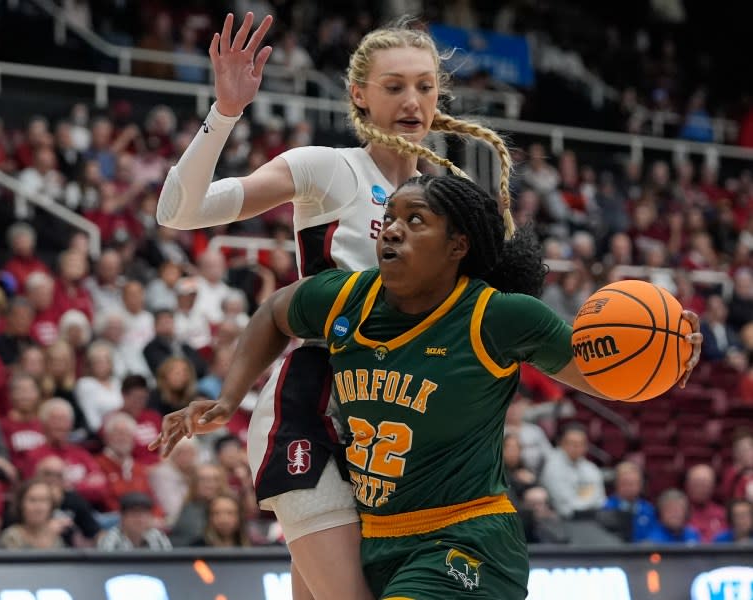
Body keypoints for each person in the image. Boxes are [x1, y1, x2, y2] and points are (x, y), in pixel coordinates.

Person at [155, 173, 703, 599]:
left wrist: (663, 366)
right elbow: (276, 311)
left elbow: (599, 378)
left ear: (458, 245)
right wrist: (230, 396)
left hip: (465, 536)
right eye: (389, 217)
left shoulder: (499, 316)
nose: (391, 228)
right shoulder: (347, 298)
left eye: (415, 221)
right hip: (375, 535)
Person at [156, 12, 519, 599]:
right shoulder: (329, 169)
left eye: (425, 86)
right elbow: (178, 211)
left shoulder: (448, 204)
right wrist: (225, 112)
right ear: (359, 95)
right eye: (394, 86)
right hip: (314, 402)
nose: (413, 100)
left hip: (391, 421)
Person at [0, 478, 66, 549]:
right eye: (32, 500)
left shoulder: (57, 539)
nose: (38, 507)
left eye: (44, 500)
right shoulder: (11, 537)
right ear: (21, 504)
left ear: (52, 505)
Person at [96, 491, 172, 551]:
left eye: (144, 514)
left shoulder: (158, 536)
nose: (140, 519)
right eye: (134, 514)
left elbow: (168, 565)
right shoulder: (111, 539)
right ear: (122, 517)